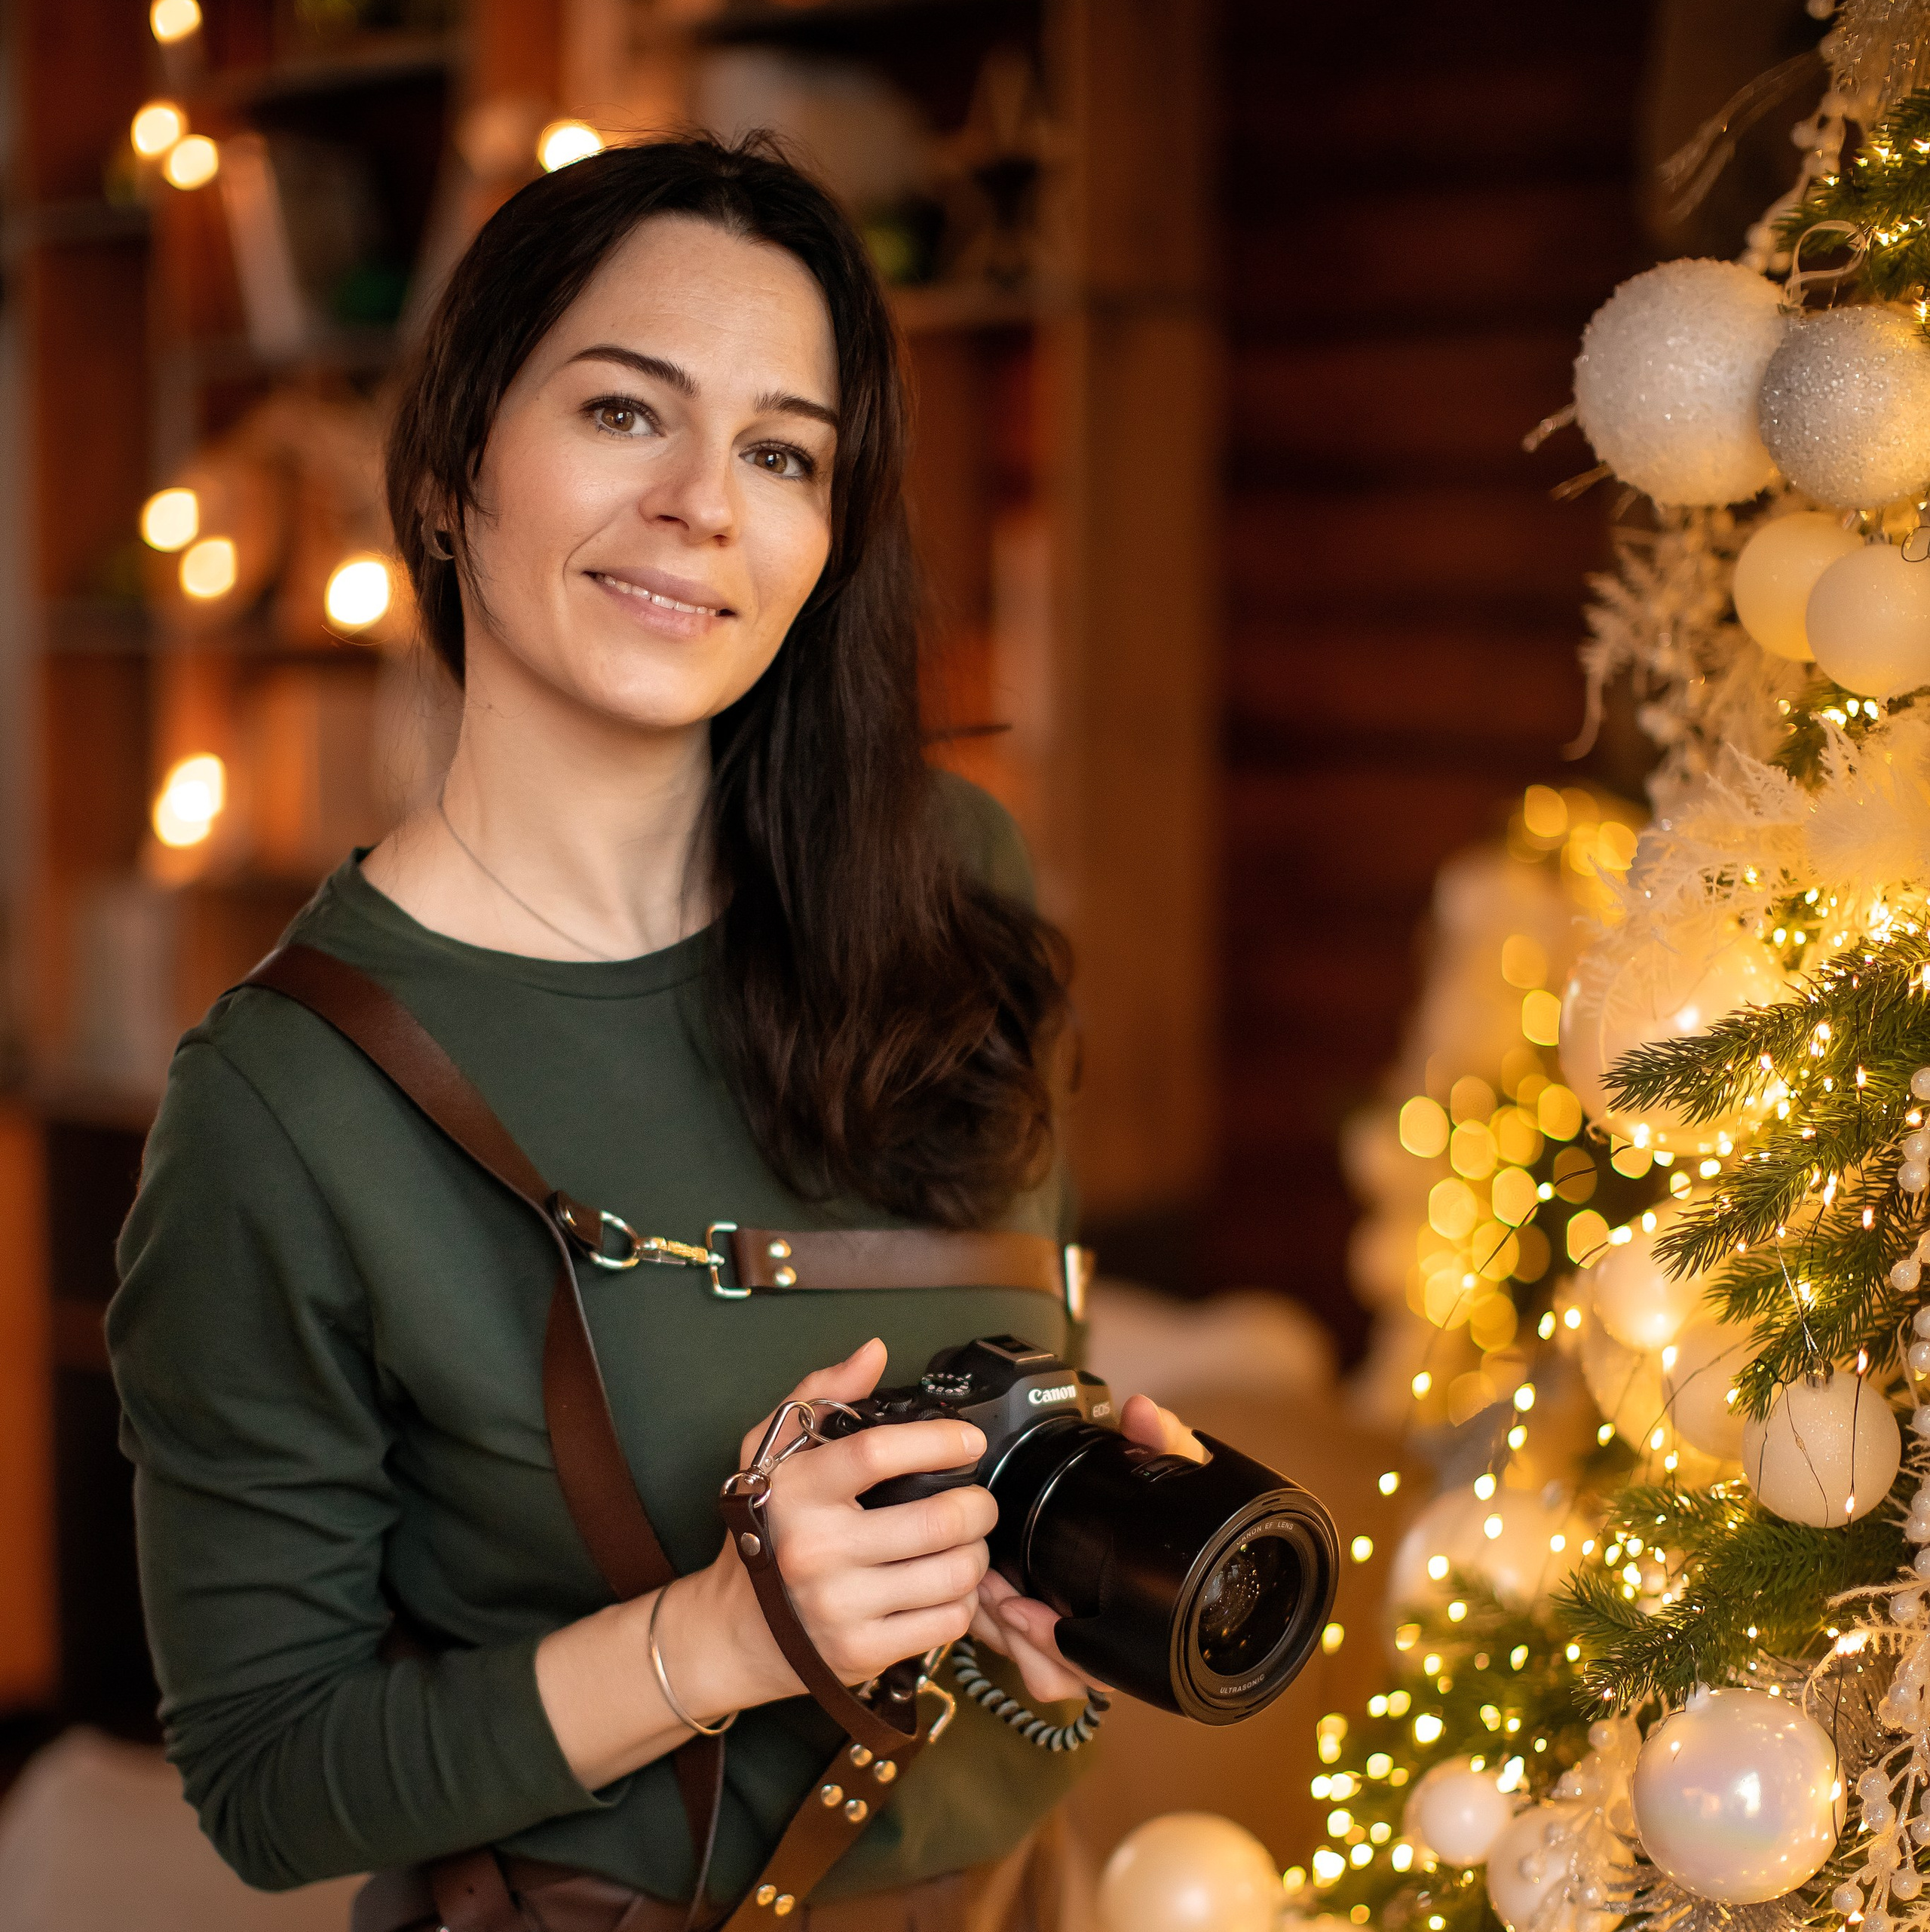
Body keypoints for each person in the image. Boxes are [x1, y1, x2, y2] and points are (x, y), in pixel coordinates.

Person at [109, 136, 1198, 1932]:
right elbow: (267, 1778)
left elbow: (1000, 1451)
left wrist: (1043, 1616)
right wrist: (713, 1639)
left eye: (782, 451)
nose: (706, 500)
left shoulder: (948, 884)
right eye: (626, 413)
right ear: (456, 463)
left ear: (824, 540)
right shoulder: (283, 1106)